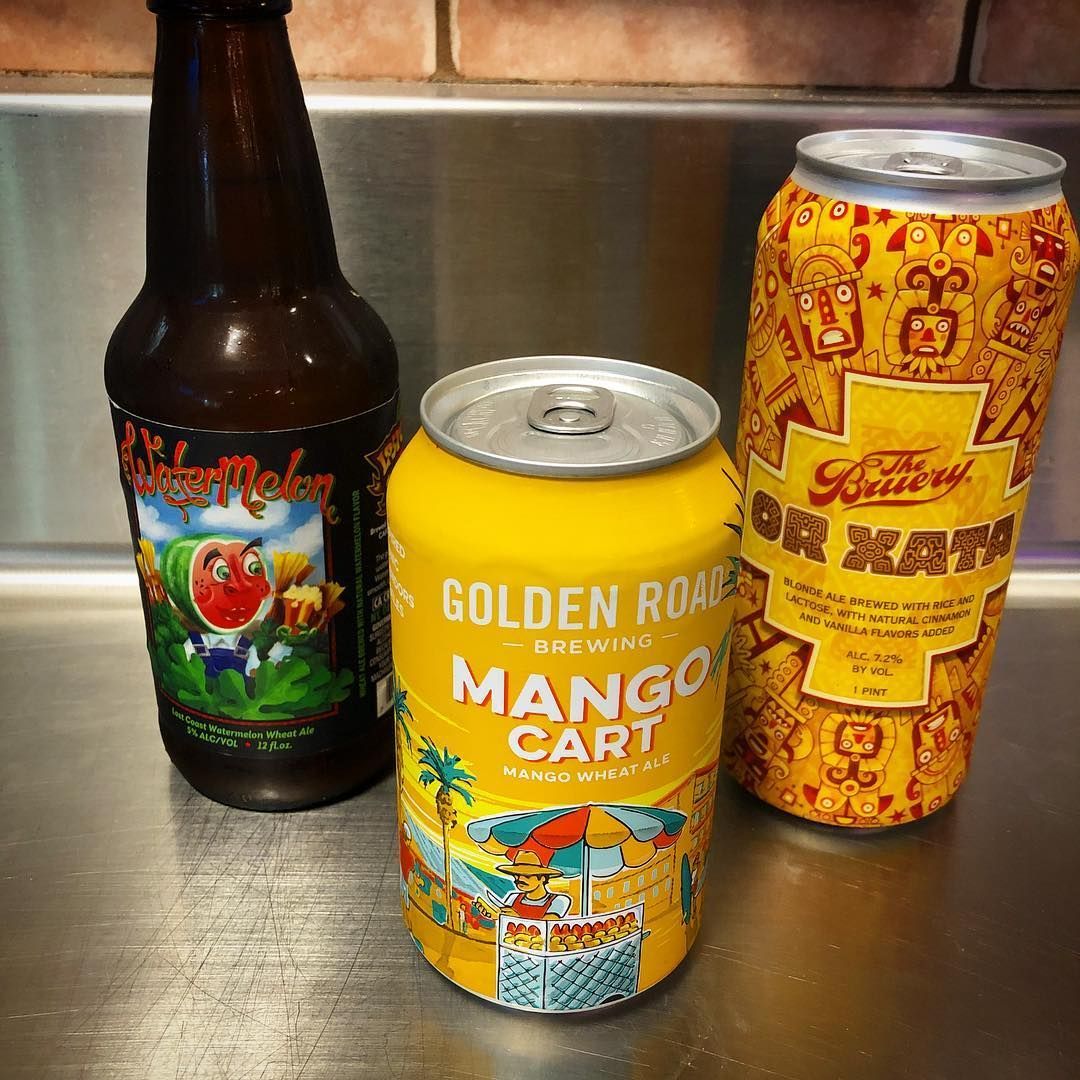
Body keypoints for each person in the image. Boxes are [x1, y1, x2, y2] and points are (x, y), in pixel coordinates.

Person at [477, 851, 572, 920]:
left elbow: (548, 923)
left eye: (527, 875)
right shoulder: (513, 897)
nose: (520, 879)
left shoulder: (559, 900)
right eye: (517, 875)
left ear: (543, 877)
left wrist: (517, 918)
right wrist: (495, 915)